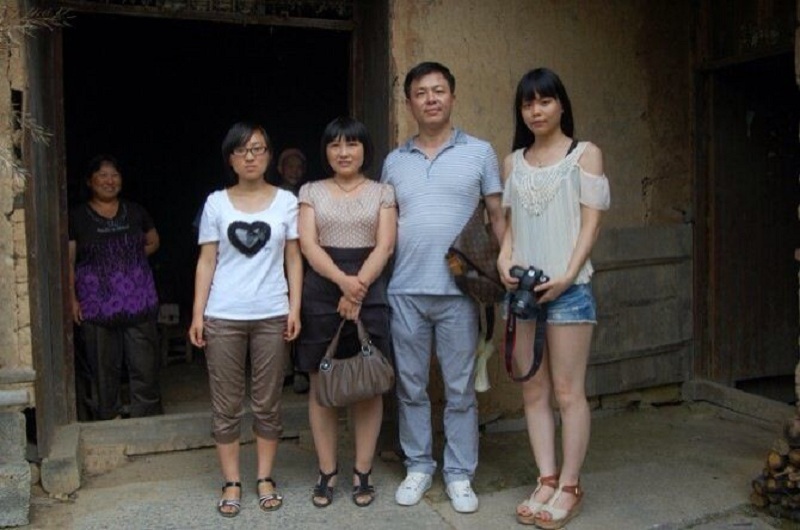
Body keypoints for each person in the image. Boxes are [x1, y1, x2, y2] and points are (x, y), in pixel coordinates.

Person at [380, 61, 505, 514]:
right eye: (421, 92)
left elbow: (497, 216)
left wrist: (504, 269)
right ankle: (418, 465)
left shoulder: (480, 152)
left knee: (459, 389)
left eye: (438, 90)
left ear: (452, 96)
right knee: (411, 387)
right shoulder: (394, 161)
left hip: (460, 293)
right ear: (409, 103)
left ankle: (459, 473)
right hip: (405, 290)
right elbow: (386, 224)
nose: (430, 99)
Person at [497, 67, 610, 528]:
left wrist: (566, 276)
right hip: (522, 293)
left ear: (561, 104)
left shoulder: (585, 155)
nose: (536, 110)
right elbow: (510, 226)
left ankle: (570, 485)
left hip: (569, 291)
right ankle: (545, 478)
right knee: (533, 389)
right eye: (528, 103)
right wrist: (504, 259)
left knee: (567, 391)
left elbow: (591, 224)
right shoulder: (513, 162)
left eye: (545, 101)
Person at [188, 121, 303, 518]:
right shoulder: (216, 203)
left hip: (272, 313)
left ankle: (265, 477)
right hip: (223, 314)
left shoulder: (286, 201)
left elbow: (294, 258)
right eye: (242, 150)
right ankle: (232, 481)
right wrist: (198, 313)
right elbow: (206, 261)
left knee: (268, 401)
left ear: (269, 155)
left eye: (257, 148)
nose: (250, 156)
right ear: (231, 159)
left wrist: (294, 307)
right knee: (226, 404)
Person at [295, 116, 397, 508]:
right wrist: (343, 282)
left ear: (364, 149)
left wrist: (357, 290)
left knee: (368, 381)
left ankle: (362, 471)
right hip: (323, 288)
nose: (343, 152)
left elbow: (385, 245)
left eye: (351, 144)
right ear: (326, 151)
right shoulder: (310, 191)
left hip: (369, 286)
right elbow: (308, 244)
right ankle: (327, 471)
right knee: (322, 382)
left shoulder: (383, 192)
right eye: (335, 144)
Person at [68, 154, 163, 421]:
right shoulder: (76, 217)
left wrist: (126, 262)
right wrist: (71, 299)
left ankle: (146, 416)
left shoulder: (135, 211)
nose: (110, 181)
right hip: (96, 302)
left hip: (138, 299)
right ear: (90, 181)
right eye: (102, 175)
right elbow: (68, 261)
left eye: (115, 175)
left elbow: (153, 241)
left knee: (144, 362)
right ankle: (108, 416)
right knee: (102, 365)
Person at [276, 147, 311, 395]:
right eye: (290, 166)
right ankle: (284, 369)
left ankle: (299, 368)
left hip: (304, 262)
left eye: (299, 167)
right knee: (280, 314)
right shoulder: (273, 195)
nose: (295, 171)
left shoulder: (308, 194)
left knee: (301, 314)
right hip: (277, 264)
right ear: (280, 169)